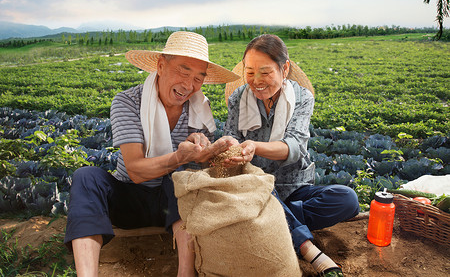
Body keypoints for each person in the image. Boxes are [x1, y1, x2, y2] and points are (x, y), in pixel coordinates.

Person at [64, 31, 239, 277]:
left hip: (173, 206)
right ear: (160, 66)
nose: (189, 85)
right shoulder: (127, 102)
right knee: (86, 176)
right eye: (183, 71)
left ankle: (185, 272)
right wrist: (180, 156)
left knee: (183, 175)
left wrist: (206, 149)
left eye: (198, 78)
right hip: (130, 202)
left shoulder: (199, 108)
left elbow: (195, 162)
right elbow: (135, 170)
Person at [222, 34, 359, 277]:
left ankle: (272, 219)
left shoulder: (302, 98)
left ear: (284, 68)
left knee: (347, 199)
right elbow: (231, 135)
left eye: (265, 72)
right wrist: (231, 145)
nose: (256, 81)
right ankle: (308, 248)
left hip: (294, 185)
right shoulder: (237, 99)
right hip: (254, 185)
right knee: (261, 189)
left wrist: (254, 145)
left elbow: (294, 147)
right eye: (250, 72)